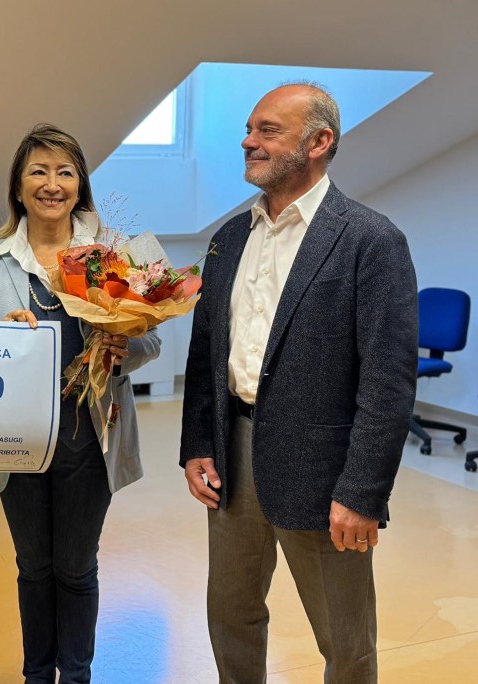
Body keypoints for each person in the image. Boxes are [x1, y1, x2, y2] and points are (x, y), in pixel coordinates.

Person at [180, 83, 418, 683]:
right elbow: (207, 352)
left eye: (268, 130)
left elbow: (388, 383)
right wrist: (198, 444)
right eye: (248, 128)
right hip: (233, 456)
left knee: (344, 637)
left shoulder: (370, 240)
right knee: (230, 614)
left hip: (324, 469)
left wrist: (362, 492)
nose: (248, 141)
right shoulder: (229, 238)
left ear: (318, 142)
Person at [0, 123, 161, 684]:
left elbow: (151, 338)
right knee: (32, 567)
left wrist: (124, 348)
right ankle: (35, 676)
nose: (52, 184)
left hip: (88, 437)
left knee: (74, 568)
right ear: (18, 187)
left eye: (65, 172)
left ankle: (75, 676)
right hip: (18, 438)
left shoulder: (112, 253)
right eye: (39, 171)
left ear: (80, 186)